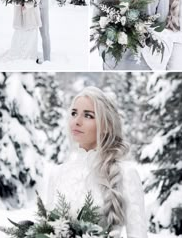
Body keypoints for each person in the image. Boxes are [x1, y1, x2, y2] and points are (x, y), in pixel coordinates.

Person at [45, 86, 147, 238]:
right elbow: (47, 230)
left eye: (88, 115)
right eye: (74, 113)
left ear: (106, 126)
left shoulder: (125, 174)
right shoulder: (57, 174)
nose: (77, 121)